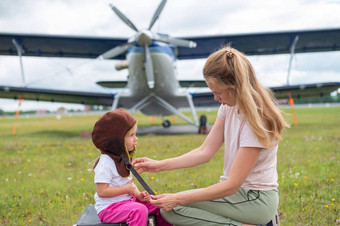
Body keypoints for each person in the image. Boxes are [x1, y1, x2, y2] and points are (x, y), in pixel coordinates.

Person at [132, 45, 289, 226]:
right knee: (171, 208)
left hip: (254, 200)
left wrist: (178, 198)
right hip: (238, 195)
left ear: (234, 87)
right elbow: (205, 151)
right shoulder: (227, 108)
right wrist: (159, 165)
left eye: (218, 92)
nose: (215, 98)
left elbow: (232, 185)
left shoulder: (257, 120)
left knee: (173, 207)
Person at [91, 108, 171, 226]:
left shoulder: (122, 158)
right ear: (117, 141)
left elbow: (129, 184)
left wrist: (138, 195)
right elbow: (102, 191)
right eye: (131, 135)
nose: (136, 139)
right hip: (108, 209)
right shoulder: (105, 163)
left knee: (158, 205)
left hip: (127, 202)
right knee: (139, 210)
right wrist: (127, 190)